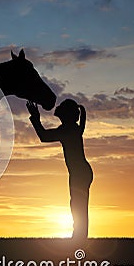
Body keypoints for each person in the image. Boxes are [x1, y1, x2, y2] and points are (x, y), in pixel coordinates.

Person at [26, 99, 93, 240]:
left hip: (79, 173)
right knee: (78, 204)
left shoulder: (67, 130)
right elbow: (83, 123)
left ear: (67, 115)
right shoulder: (75, 128)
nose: (60, 117)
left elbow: (44, 136)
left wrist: (36, 118)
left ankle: (79, 237)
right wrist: (82, 111)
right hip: (82, 171)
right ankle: (80, 236)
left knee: (77, 204)